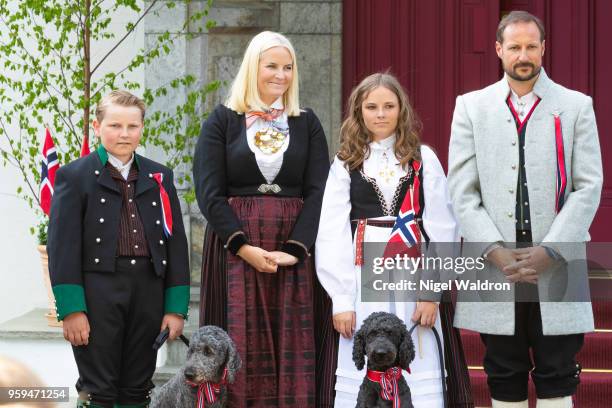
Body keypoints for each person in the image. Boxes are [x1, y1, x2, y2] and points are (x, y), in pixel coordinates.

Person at [447, 11, 603, 408]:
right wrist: (493, 250)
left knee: (558, 369)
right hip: (495, 261)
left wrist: (551, 249)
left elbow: (588, 186)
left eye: (531, 46)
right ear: (499, 50)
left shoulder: (575, 106)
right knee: (502, 369)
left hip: (558, 260)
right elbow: (462, 191)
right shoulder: (471, 107)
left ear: (543, 48)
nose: (524, 54)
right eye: (514, 46)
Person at [193, 31, 334, 407]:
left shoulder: (307, 122)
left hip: (292, 244)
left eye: (288, 67)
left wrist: (295, 248)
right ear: (252, 67)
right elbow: (209, 192)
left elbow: (320, 190)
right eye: (271, 65)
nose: (281, 75)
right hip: (235, 245)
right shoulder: (221, 120)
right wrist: (242, 246)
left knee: (294, 338)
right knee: (239, 338)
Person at [315, 72, 473, 408]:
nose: (381, 113)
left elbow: (443, 226)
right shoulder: (346, 162)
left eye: (389, 105)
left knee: (417, 348)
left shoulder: (423, 158)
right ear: (359, 111)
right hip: (362, 273)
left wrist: (432, 291)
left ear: (402, 109)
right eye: (372, 106)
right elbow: (332, 231)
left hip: (413, 272)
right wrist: (341, 299)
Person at [47, 90, 190, 408]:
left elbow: (175, 244)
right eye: (114, 125)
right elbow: (62, 248)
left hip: (148, 292)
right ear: (97, 127)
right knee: (98, 388)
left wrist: (175, 308)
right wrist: (71, 310)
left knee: (139, 386)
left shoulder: (159, 176)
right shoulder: (74, 176)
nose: (124, 134)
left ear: (142, 128)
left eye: (132, 126)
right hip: (99, 293)